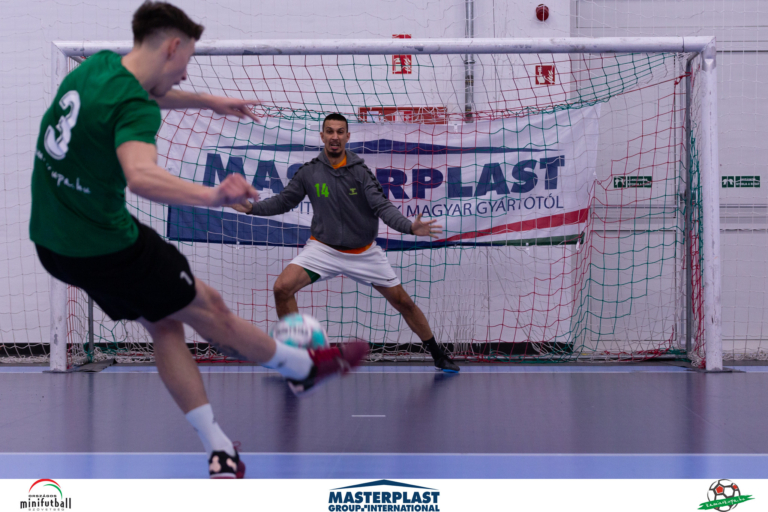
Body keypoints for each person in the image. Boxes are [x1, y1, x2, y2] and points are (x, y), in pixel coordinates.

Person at [29, 1, 367, 479]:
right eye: (187, 60)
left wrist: (209, 102)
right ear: (172, 46)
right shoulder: (134, 107)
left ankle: (220, 449)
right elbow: (141, 175)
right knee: (211, 310)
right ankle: (301, 367)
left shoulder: (98, 68)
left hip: (52, 243)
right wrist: (214, 195)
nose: (185, 74)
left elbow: (152, 93)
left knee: (165, 324)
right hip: (107, 245)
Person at [228, 113, 460, 372]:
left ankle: (438, 355)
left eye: (340, 132)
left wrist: (408, 226)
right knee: (282, 288)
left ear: (348, 137)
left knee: (403, 302)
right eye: (330, 131)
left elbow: (382, 206)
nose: (335, 137)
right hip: (323, 249)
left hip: (364, 252)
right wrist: (252, 208)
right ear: (322, 136)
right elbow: (284, 201)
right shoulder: (309, 172)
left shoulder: (361, 173)